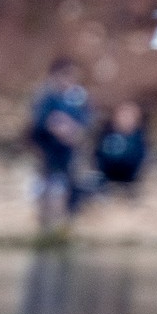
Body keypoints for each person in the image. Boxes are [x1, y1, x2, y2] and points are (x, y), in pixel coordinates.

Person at [28, 57, 92, 230]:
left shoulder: (79, 98)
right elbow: (36, 125)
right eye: (65, 76)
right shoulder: (46, 97)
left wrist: (73, 130)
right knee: (49, 189)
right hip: (48, 153)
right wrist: (54, 126)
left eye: (72, 77)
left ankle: (64, 227)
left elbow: (87, 124)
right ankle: (47, 227)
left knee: (70, 189)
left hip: (70, 155)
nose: (69, 81)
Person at [94, 101, 147, 195]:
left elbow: (140, 158)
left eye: (129, 116)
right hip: (106, 177)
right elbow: (98, 154)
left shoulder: (138, 137)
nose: (125, 119)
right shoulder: (107, 133)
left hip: (130, 179)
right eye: (122, 115)